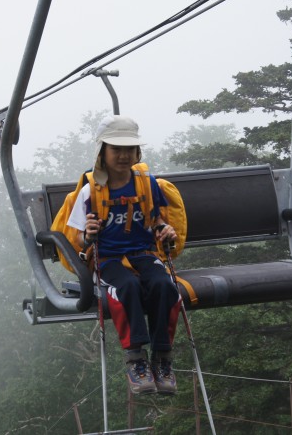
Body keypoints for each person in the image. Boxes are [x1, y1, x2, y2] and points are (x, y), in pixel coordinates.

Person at [67, 115, 181, 395]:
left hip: (143, 254)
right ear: (102, 152)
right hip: (108, 259)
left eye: (129, 149)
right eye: (116, 149)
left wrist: (166, 231)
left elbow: (156, 221)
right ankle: (136, 359)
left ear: (137, 153)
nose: (123, 155)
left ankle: (162, 358)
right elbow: (77, 237)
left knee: (165, 285)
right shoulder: (88, 192)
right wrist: (89, 236)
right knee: (126, 287)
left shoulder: (147, 184)